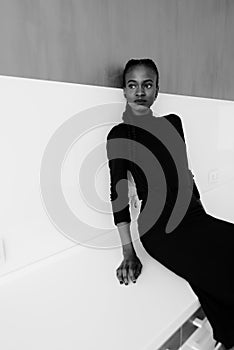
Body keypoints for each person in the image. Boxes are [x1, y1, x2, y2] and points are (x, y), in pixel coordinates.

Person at [106, 58, 234, 350]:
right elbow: (117, 193)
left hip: (194, 217)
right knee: (217, 276)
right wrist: (129, 251)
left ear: (157, 90)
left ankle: (227, 338)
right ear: (124, 91)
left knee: (211, 282)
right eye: (132, 85)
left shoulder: (173, 123)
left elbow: (184, 170)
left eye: (147, 84)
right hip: (162, 230)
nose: (140, 91)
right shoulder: (120, 135)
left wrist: (198, 207)